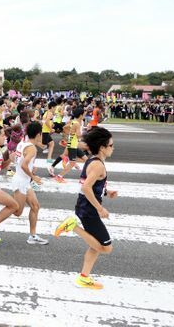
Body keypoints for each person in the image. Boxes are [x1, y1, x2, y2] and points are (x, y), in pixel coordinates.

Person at [55, 127, 117, 289]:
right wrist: (100, 209)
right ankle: (72, 226)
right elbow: (86, 188)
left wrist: (106, 192)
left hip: (84, 207)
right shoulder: (98, 165)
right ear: (102, 147)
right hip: (89, 211)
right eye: (111, 145)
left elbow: (90, 184)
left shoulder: (93, 160)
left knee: (95, 245)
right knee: (106, 247)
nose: (113, 148)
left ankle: (84, 277)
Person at [10, 121, 48, 245]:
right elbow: (23, 164)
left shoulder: (22, 143)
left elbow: (15, 158)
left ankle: (32, 236)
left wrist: (30, 170)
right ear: (38, 134)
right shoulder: (32, 148)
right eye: (41, 133)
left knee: (35, 206)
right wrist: (33, 176)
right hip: (21, 181)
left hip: (23, 181)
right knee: (17, 212)